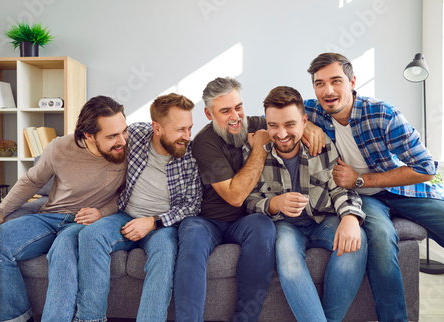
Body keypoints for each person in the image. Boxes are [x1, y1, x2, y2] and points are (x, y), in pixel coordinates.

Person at [304, 52, 444, 322]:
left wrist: (361, 179)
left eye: (336, 81)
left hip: (403, 190)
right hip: (363, 199)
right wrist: (307, 127)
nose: (328, 90)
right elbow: (265, 121)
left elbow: (425, 169)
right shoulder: (311, 111)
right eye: (319, 83)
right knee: (381, 239)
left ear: (352, 81)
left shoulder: (383, 114)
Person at [174, 77, 323, 321]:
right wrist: (259, 149)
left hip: (246, 220)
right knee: (191, 235)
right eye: (225, 111)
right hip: (208, 220)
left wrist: (310, 127)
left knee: (263, 226)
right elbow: (235, 196)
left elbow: (287, 123)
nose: (235, 116)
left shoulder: (256, 124)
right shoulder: (204, 142)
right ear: (209, 114)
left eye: (238, 107)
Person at [0, 95, 128, 322]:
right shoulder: (60, 147)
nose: (122, 140)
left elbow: (129, 195)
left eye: (124, 131)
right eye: (112, 136)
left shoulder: (128, 151)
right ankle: (16, 318)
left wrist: (102, 212)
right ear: (89, 135)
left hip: (85, 223)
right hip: (50, 217)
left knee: (62, 252)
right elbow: (31, 182)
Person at [74, 93, 201, 322]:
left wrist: (153, 222)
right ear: (157, 128)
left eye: (190, 128)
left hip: (163, 225)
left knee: (165, 251)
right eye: (180, 129)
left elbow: (192, 206)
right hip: (125, 215)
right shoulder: (134, 134)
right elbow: (101, 140)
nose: (187, 136)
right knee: (91, 235)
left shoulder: (191, 156)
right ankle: (90, 319)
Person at [245, 86, 367, 322]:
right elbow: (248, 202)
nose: (281, 134)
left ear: (304, 121)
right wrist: (274, 204)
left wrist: (351, 218)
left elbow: (340, 187)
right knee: (289, 263)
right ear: (266, 123)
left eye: (290, 125)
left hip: (324, 220)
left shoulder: (322, 146)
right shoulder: (256, 152)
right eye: (273, 125)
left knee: (356, 242)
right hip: (284, 226)